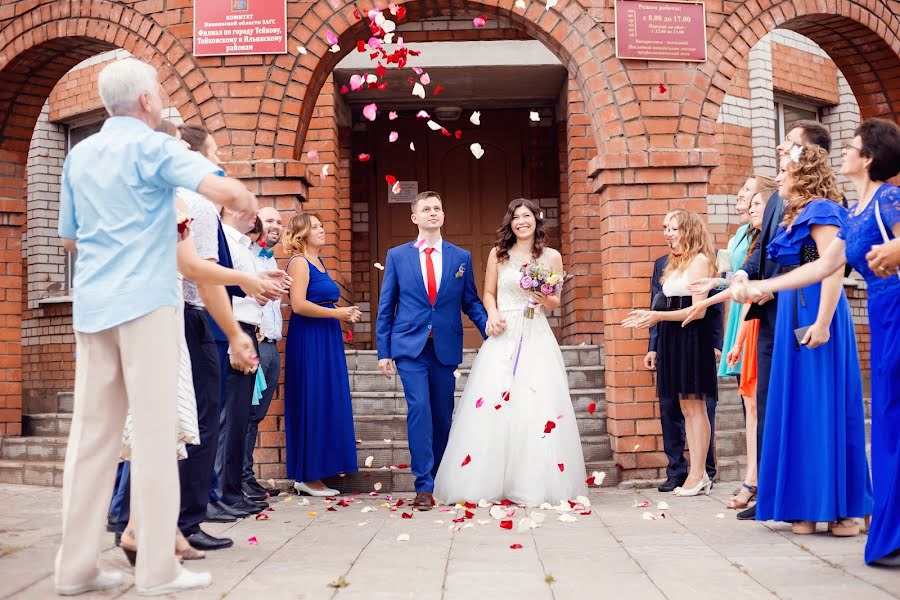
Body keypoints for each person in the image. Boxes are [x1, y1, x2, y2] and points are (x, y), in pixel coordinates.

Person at [55, 58, 258, 595]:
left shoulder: (79, 154)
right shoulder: (156, 146)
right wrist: (245, 199)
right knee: (152, 432)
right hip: (145, 303)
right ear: (146, 101)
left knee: (92, 436)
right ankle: (157, 570)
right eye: (159, 92)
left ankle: (74, 569)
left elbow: (70, 238)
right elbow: (229, 195)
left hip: (92, 306)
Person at [737, 118, 899, 564]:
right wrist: (760, 288)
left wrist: (825, 319)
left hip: (866, 309)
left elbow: (832, 273)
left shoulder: (878, 200)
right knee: (860, 417)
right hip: (845, 311)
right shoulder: (853, 212)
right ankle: (836, 514)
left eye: (851, 145)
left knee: (865, 415)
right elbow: (822, 265)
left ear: (867, 159)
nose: (842, 151)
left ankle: (860, 514)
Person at [689, 119, 835, 521]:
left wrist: (768, 286)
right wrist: (739, 275)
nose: (778, 150)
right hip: (768, 316)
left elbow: (829, 264)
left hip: (801, 310)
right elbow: (762, 255)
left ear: (808, 153)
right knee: (770, 405)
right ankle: (771, 494)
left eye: (788, 143)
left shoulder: (820, 204)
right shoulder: (776, 202)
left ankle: (801, 494)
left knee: (797, 404)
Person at [433, 198, 587, 506]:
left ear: (536, 220)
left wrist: (539, 294)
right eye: (516, 217)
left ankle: (531, 481)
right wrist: (492, 315)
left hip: (535, 333)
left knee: (534, 405)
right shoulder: (498, 254)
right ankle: (487, 480)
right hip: (504, 332)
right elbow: (487, 293)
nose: (521, 222)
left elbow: (555, 302)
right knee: (494, 403)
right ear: (510, 223)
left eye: (526, 216)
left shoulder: (551, 256)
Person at [175, 124, 269, 550]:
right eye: (213, 154)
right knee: (203, 419)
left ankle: (138, 518)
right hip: (192, 317)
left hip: (135, 311)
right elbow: (200, 272)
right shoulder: (195, 203)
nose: (218, 163)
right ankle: (192, 515)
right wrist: (234, 329)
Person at [375, 191, 492, 510]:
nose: (432, 213)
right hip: (409, 347)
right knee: (419, 410)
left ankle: (442, 477)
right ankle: (423, 485)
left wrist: (490, 332)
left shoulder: (460, 258)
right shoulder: (397, 256)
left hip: (445, 347)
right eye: (425, 209)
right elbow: (386, 306)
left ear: (443, 215)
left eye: (437, 208)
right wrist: (383, 351)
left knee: (442, 415)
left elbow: (471, 301)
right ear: (414, 217)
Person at [622, 209, 719, 497]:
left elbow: (698, 313)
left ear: (688, 230)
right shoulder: (672, 265)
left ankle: (699, 473)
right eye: (665, 227)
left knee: (696, 407)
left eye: (673, 228)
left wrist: (656, 316)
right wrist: (655, 319)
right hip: (673, 339)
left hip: (692, 337)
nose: (667, 233)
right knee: (686, 408)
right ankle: (696, 473)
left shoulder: (700, 262)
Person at [283, 213, 361, 496]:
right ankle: (306, 475)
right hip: (309, 337)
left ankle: (320, 469)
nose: (321, 230)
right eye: (314, 226)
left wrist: (342, 315)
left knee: (327, 397)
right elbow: (299, 304)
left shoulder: (320, 262)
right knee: (312, 398)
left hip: (327, 336)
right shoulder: (299, 263)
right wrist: (337, 312)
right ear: (301, 233)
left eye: (321, 225)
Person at [218, 205, 274, 515]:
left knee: (239, 417)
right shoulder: (223, 241)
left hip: (248, 330)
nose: (253, 215)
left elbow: (245, 288)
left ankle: (232, 490)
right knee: (229, 419)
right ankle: (223, 493)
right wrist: (232, 341)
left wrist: (265, 282)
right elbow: (220, 289)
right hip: (235, 331)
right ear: (228, 211)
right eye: (246, 208)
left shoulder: (243, 246)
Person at [720, 191, 770, 509]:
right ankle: (752, 479)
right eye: (748, 203)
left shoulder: (776, 239)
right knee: (750, 407)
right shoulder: (755, 243)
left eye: (757, 203)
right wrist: (737, 341)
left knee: (759, 408)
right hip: (750, 324)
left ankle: (757, 480)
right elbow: (747, 295)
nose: (750, 207)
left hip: (766, 324)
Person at [244, 208, 285, 500]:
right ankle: (239, 479)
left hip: (271, 347)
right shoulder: (244, 258)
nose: (276, 226)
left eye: (279, 222)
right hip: (253, 344)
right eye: (270, 220)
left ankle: (246, 477)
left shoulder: (271, 260)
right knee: (243, 414)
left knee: (256, 416)